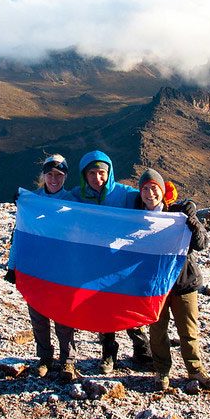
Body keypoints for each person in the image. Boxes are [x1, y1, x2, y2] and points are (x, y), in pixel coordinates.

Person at [134, 168, 210, 391]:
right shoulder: (135, 217)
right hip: (155, 285)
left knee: (188, 329)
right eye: (145, 189)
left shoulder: (178, 214)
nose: (149, 193)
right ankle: (161, 370)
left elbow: (201, 244)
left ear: (162, 191)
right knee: (157, 330)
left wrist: (193, 222)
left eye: (154, 188)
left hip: (183, 282)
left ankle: (195, 369)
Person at [71, 150, 152, 373]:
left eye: (102, 173)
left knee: (128, 304)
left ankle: (141, 349)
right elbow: (54, 201)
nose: (97, 178)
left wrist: (182, 205)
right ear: (84, 175)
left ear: (109, 173)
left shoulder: (124, 194)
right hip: (96, 263)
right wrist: (29, 201)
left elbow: (151, 198)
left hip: (123, 263)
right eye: (92, 173)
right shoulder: (78, 196)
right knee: (104, 308)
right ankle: (109, 353)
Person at [5, 154, 79, 382]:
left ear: (65, 176)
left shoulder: (74, 201)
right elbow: (20, 234)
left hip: (63, 269)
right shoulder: (31, 201)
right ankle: (45, 358)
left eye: (59, 174)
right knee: (38, 315)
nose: (54, 179)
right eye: (50, 174)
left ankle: (68, 360)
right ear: (43, 176)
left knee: (64, 316)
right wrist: (12, 265)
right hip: (36, 268)